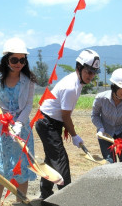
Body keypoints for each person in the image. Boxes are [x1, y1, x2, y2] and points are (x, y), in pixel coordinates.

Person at [0, 37, 37, 205]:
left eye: (22, 60)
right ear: (6, 59)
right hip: (1, 130)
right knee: (1, 170)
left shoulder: (29, 80)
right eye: (14, 59)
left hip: (22, 130)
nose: (19, 63)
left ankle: (19, 203)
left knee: (21, 169)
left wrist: (19, 124)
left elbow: (28, 105)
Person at [35, 49, 101, 199]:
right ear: (79, 67)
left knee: (51, 159)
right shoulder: (71, 86)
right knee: (60, 160)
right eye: (88, 71)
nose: (91, 76)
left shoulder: (77, 82)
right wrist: (75, 136)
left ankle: (45, 195)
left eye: (94, 72)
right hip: (47, 123)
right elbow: (65, 116)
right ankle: (68, 198)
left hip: (52, 122)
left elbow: (64, 116)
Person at [91, 68, 122, 163]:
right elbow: (94, 115)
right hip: (105, 132)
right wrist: (100, 128)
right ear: (114, 86)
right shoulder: (100, 98)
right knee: (109, 161)